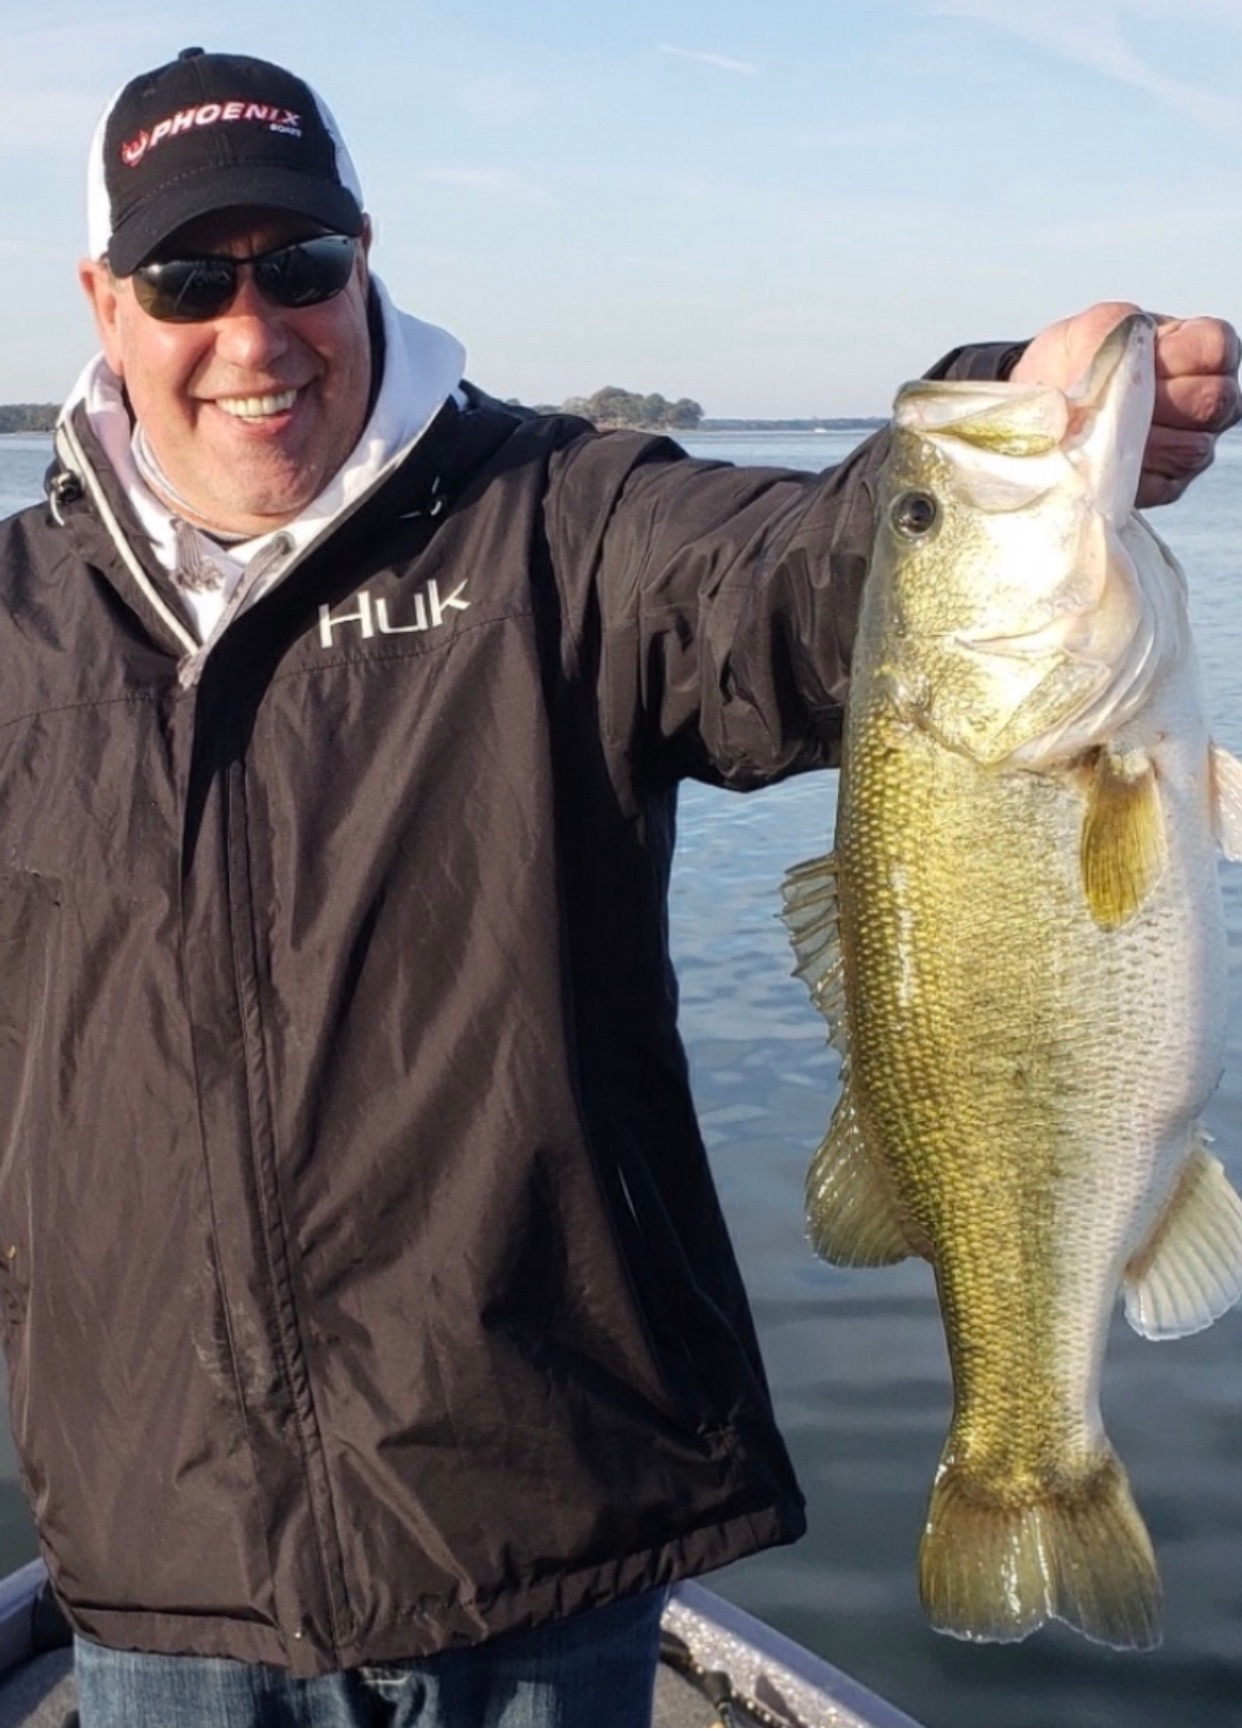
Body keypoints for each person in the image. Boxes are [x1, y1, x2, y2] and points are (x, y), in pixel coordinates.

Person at [0, 42, 1236, 1731]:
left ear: (363, 262)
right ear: (103, 301)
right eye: (186, 281)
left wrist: (998, 409)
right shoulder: (19, 627)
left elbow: (801, 584)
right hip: (163, 1545)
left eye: (299, 264)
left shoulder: (557, 523)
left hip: (537, 1523)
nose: (254, 331)